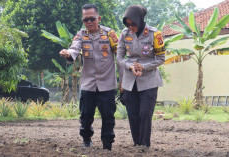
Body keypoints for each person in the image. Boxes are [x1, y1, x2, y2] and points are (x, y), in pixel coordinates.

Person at [59, 4, 119, 151]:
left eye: (92, 19)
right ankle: (86, 139)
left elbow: (120, 55)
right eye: (85, 20)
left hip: (107, 84)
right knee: (86, 116)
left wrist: (123, 79)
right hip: (88, 84)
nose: (89, 22)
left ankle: (107, 145)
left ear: (98, 18)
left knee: (108, 116)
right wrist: (69, 54)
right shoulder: (81, 34)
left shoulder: (109, 34)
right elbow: (75, 47)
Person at [116, 5, 166, 147]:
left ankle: (144, 145)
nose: (131, 27)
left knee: (145, 113)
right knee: (133, 114)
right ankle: (137, 144)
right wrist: (130, 66)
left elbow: (161, 58)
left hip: (149, 80)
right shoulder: (124, 34)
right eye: (127, 24)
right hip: (130, 79)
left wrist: (143, 67)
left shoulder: (154, 34)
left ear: (140, 20)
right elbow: (119, 58)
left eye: (133, 24)